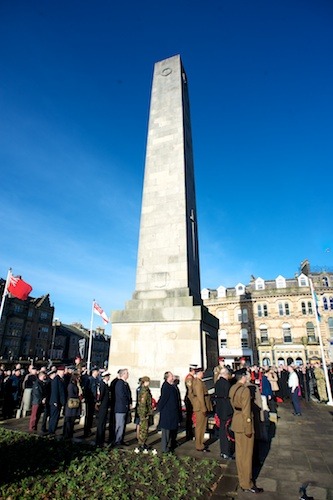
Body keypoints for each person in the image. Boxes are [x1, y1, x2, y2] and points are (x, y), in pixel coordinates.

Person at [229, 368, 264, 494]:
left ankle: (242, 478)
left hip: (236, 422)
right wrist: (249, 427)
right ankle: (247, 483)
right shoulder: (244, 390)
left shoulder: (233, 388)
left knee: (239, 454)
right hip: (244, 424)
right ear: (243, 377)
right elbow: (246, 411)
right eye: (247, 375)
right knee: (246, 455)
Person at [157, 371, 182, 454]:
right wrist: (158, 408)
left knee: (170, 431)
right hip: (167, 413)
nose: (173, 377)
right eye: (171, 376)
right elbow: (163, 399)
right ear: (168, 377)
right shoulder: (166, 387)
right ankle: (164, 448)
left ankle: (168, 446)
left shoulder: (171, 386)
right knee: (166, 432)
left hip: (171, 413)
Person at [191, 367, 213, 453]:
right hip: (200, 407)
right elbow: (200, 396)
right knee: (201, 426)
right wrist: (204, 407)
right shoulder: (198, 383)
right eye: (201, 372)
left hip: (200, 406)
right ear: (198, 373)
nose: (203, 374)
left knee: (201, 426)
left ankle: (200, 443)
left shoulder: (198, 381)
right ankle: (199, 444)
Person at [214, 367, 234, 459]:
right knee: (225, 431)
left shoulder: (217, 382)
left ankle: (223, 451)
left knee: (222, 430)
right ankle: (226, 451)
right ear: (225, 374)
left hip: (220, 409)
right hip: (226, 409)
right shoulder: (226, 383)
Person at [113, 368, 132, 447]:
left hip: (124, 407)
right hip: (121, 407)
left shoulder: (125, 383)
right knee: (120, 425)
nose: (128, 375)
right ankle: (117, 441)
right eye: (127, 373)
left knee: (123, 425)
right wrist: (127, 403)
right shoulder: (120, 383)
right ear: (123, 374)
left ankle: (121, 440)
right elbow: (122, 396)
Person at [48, 365, 66, 435]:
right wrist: (55, 401)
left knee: (56, 416)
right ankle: (51, 431)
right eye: (62, 371)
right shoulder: (56, 380)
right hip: (55, 402)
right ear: (59, 371)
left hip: (59, 402)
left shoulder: (60, 379)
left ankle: (53, 429)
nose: (63, 373)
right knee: (54, 417)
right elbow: (55, 391)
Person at [63, 372, 82, 439]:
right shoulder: (71, 385)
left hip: (74, 406)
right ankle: (67, 435)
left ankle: (69, 434)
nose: (79, 379)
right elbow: (71, 395)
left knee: (72, 421)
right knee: (69, 421)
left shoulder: (76, 384)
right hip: (71, 405)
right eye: (78, 377)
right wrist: (78, 396)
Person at [95, 370, 111, 447]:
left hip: (105, 405)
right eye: (108, 376)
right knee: (101, 422)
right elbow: (100, 395)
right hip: (102, 406)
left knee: (103, 422)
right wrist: (98, 403)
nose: (109, 378)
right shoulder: (102, 384)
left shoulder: (106, 384)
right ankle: (99, 439)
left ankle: (101, 438)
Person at [137, 376, 153, 451]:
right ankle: (141, 444)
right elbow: (143, 404)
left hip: (146, 412)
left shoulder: (146, 390)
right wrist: (144, 414)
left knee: (145, 429)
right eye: (147, 381)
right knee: (143, 429)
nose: (149, 383)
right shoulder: (144, 391)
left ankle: (143, 442)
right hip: (144, 413)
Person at [83, 366, 100, 438]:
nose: (98, 373)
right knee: (88, 416)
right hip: (90, 400)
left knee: (91, 417)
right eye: (97, 371)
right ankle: (86, 431)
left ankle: (89, 430)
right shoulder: (90, 380)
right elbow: (87, 390)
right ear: (94, 372)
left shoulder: (97, 380)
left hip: (94, 400)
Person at [184, 364, 197, 441]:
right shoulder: (189, 378)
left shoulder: (191, 377)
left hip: (190, 398)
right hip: (189, 399)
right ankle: (188, 434)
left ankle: (190, 434)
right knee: (189, 417)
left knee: (190, 417)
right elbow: (190, 390)